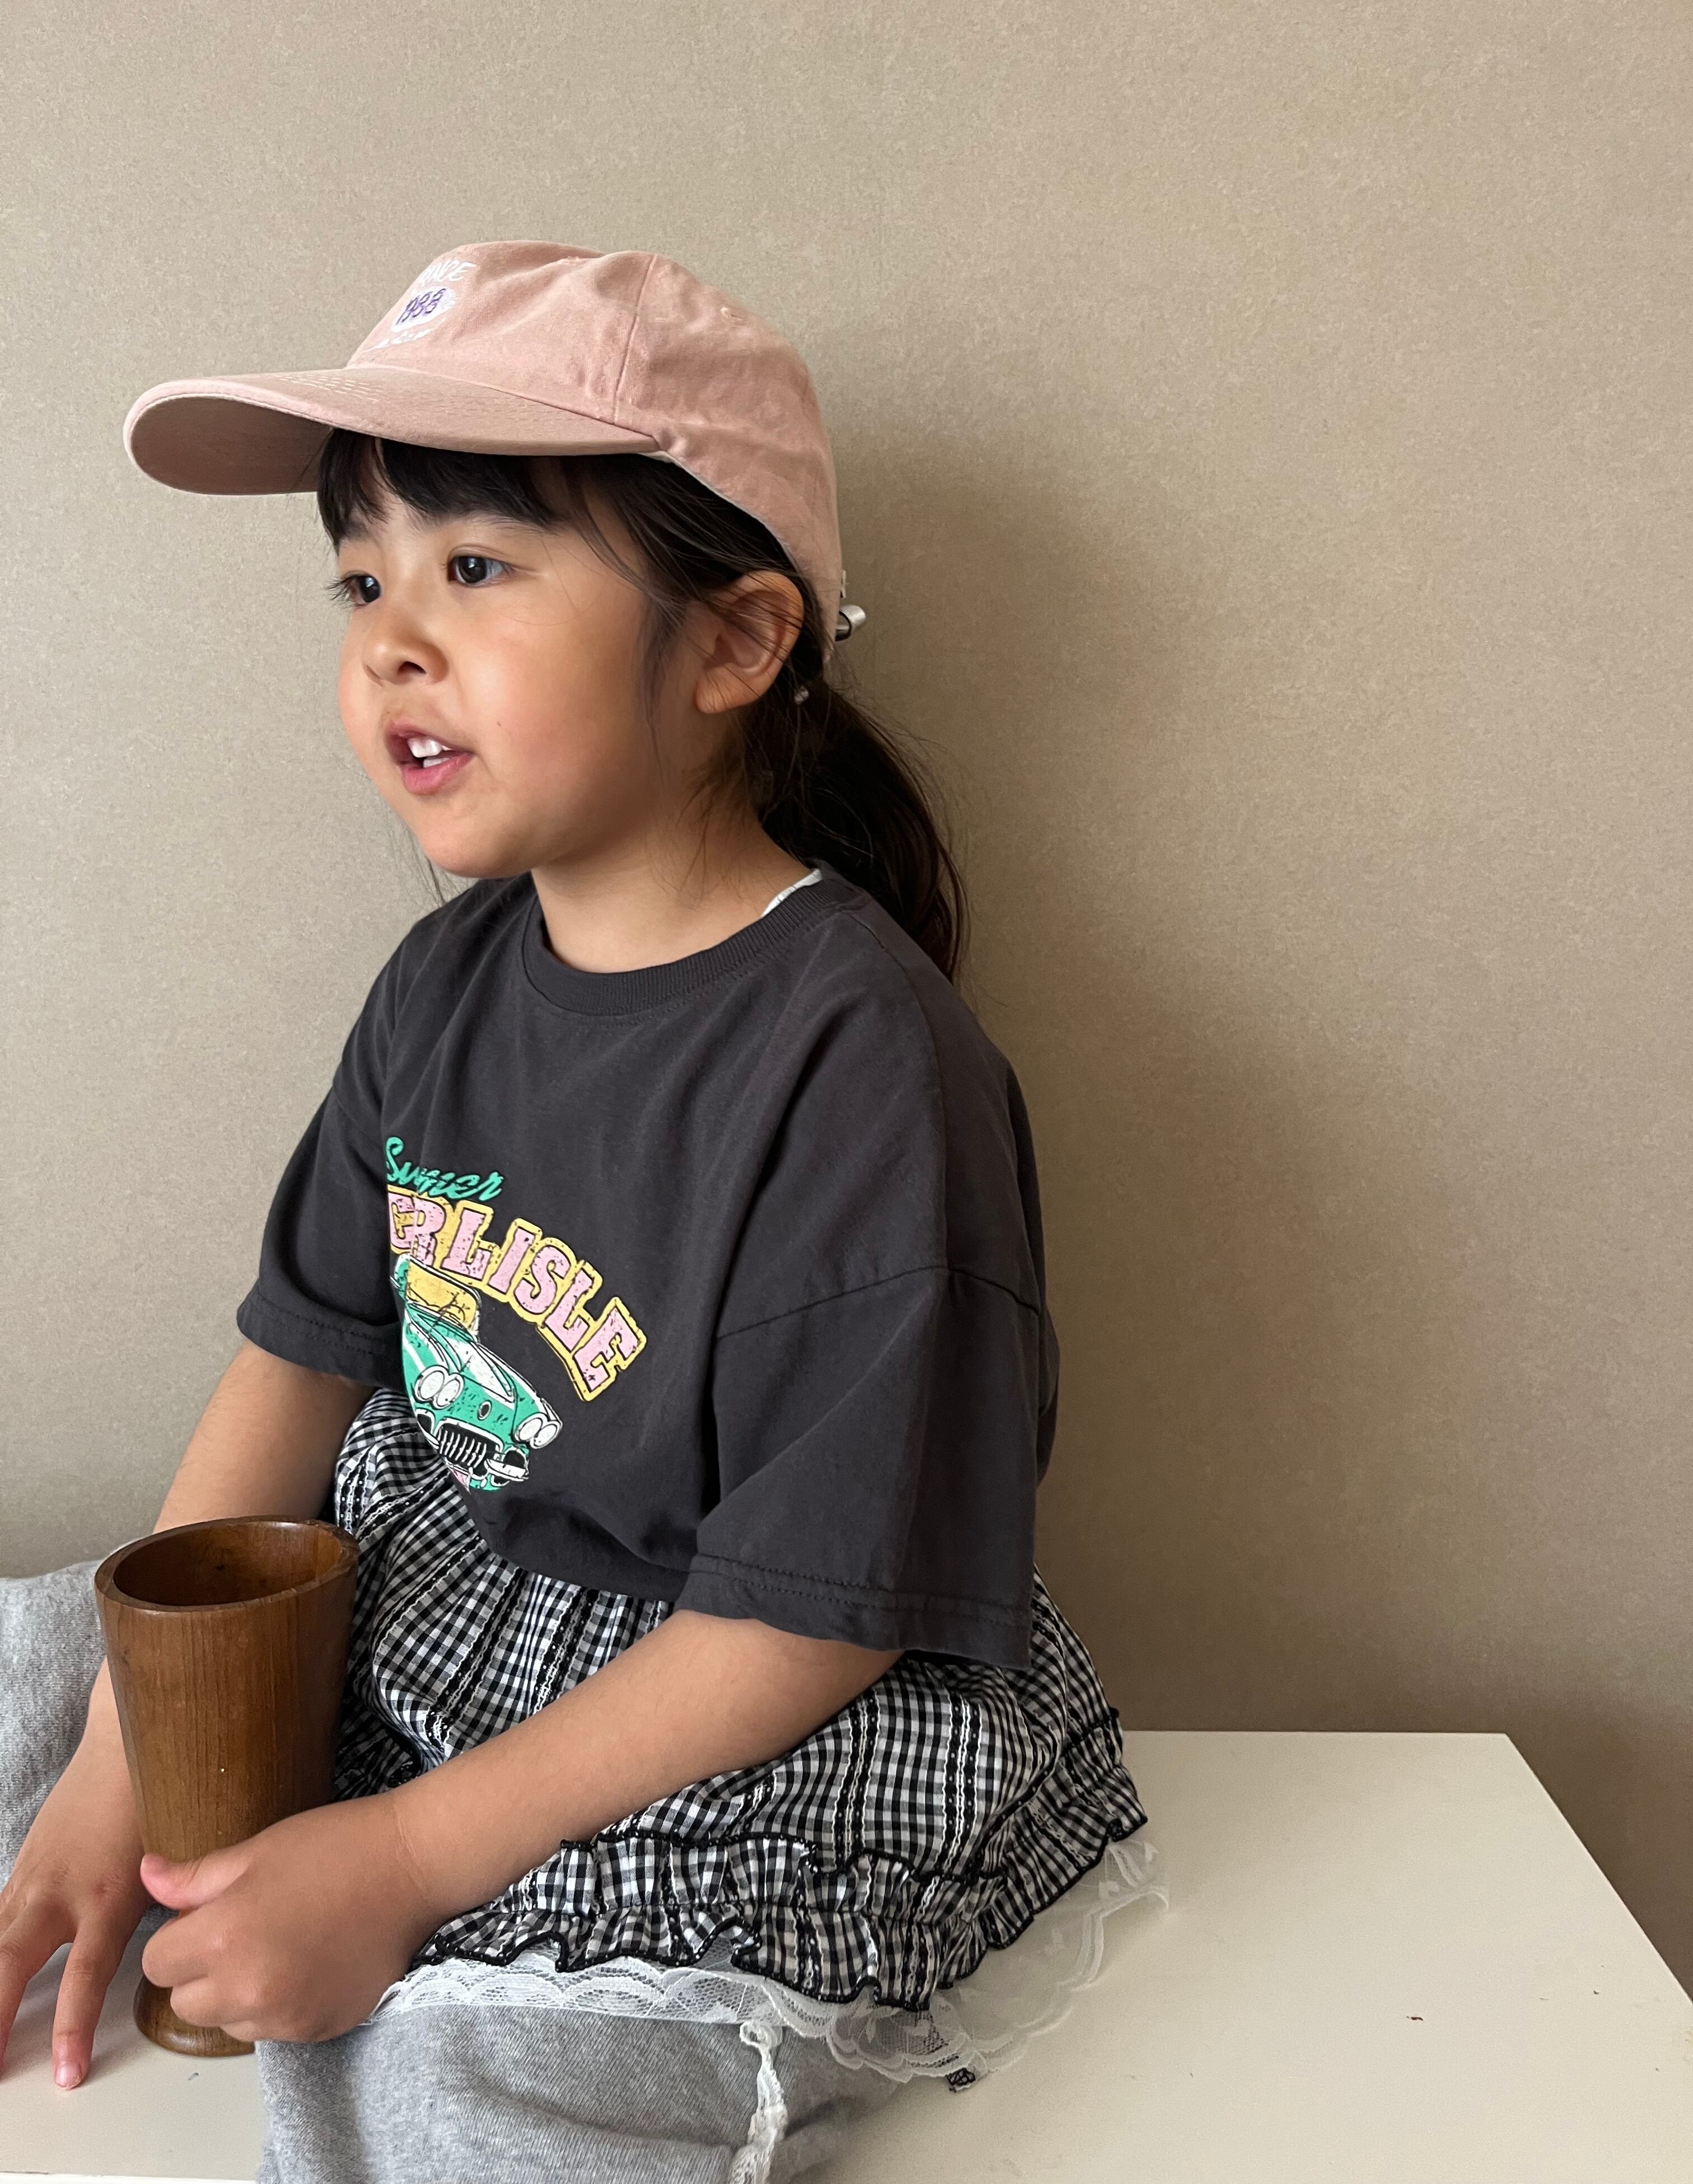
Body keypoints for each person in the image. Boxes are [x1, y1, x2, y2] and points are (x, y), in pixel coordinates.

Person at [0, 244, 1159, 2181]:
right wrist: (124, 1760)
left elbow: (808, 1621)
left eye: (473, 567)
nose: (390, 641)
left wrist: (396, 1858)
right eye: (361, 581)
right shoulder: (440, 988)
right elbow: (293, 1374)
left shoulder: (864, 1060)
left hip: (742, 1698)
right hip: (455, 1592)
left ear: (732, 645)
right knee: (37, 1670)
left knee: (475, 2086)